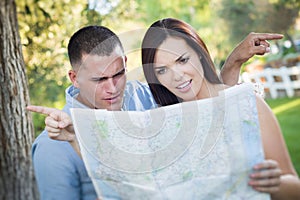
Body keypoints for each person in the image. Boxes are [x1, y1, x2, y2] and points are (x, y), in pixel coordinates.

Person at [27, 24, 284, 200]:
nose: (112, 88)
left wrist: (232, 64)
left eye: (118, 74)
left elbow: (205, 104)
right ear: (74, 77)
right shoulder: (52, 147)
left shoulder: (146, 96)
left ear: (126, 63)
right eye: (99, 80)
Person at [140, 18, 300, 199]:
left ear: (199, 52)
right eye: (162, 70)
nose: (176, 76)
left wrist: (276, 184)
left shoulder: (247, 104)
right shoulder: (161, 124)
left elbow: (295, 188)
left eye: (183, 60)